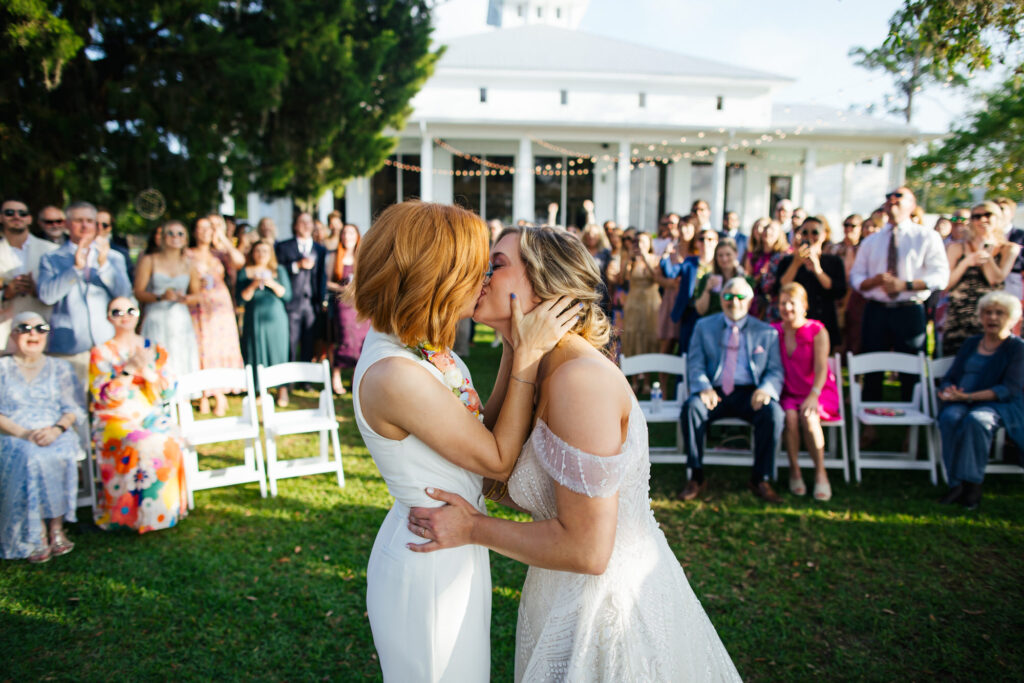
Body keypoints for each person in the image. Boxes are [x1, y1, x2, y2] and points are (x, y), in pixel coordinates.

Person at [406, 225, 741, 681]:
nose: (480, 276)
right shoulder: (537, 365)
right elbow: (490, 467)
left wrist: (473, 528)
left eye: (497, 266)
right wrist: (517, 350)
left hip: (607, 614)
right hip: (557, 594)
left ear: (547, 285)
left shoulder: (579, 380)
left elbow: (588, 549)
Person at [350, 201, 574, 682]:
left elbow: (479, 431)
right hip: (428, 559)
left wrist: (515, 349)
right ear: (435, 275)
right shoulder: (394, 374)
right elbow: (496, 458)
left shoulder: (422, 347)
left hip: (451, 537)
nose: (482, 280)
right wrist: (527, 361)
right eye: (474, 269)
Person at [681, 277, 786, 503]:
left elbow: (775, 370)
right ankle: (696, 476)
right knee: (691, 409)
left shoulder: (767, 333)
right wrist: (704, 387)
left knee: (773, 414)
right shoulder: (703, 326)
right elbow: (695, 363)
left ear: (749, 301)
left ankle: (760, 478)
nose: (734, 302)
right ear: (721, 299)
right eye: (728, 296)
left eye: (740, 297)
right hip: (714, 391)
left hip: (750, 393)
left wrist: (766, 389)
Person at [90, 297, 187, 532]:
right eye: (117, 311)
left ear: (138, 313)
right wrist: (128, 370)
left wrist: (149, 373)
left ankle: (165, 512)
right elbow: (104, 397)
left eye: (130, 310)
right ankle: (130, 517)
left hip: (149, 414)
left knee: (170, 437)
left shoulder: (155, 349)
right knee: (140, 442)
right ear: (108, 317)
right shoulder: (100, 353)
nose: (125, 315)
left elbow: (168, 391)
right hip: (115, 418)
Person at [849, 187, 949, 401]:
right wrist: (872, 281)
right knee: (872, 366)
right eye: (888, 197)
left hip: (909, 310)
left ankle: (910, 428)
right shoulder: (871, 241)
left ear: (912, 204)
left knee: (910, 367)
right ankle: (869, 424)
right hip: (876, 310)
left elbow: (940, 276)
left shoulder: (926, 237)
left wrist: (906, 285)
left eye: (899, 197)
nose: (892, 200)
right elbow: (856, 276)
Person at [0, 312, 84, 562]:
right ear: (14, 334)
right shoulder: (2, 368)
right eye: (24, 328)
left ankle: (56, 528)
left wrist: (56, 430)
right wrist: (25, 434)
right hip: (14, 433)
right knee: (29, 456)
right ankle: (32, 534)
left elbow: (73, 409)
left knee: (59, 451)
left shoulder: (60, 368)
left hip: (54, 430)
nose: (32, 333)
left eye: (40, 328)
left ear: (47, 334)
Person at [937, 291, 1024, 510]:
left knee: (977, 421)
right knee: (949, 417)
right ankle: (955, 484)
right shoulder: (971, 343)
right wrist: (946, 389)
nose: (992, 318)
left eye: (999, 313)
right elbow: (952, 375)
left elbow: (1008, 389)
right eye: (987, 313)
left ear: (1012, 318)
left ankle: (972, 483)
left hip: (999, 404)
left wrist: (967, 396)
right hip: (961, 399)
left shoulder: (1017, 348)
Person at [38, 201, 132, 387]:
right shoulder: (51, 258)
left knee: (110, 401)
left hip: (107, 342)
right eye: (78, 220)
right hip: (70, 345)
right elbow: (47, 296)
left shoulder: (114, 257)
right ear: (66, 224)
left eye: (90, 220)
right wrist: (75, 269)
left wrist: (104, 266)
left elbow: (124, 295)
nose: (85, 226)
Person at [772, 283, 839, 501]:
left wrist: (814, 395)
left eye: (792, 303)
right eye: (783, 303)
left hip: (818, 390)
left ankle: (821, 472)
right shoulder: (774, 332)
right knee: (790, 418)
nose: (787, 308)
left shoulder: (817, 330)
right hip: (789, 393)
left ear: (804, 306)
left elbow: (821, 368)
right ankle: (795, 470)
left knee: (809, 418)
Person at [942, 201, 1019, 357]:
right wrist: (966, 262)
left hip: (991, 318)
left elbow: (994, 279)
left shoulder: (1009, 248)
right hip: (959, 317)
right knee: (954, 363)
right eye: (976, 216)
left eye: (987, 215)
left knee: (987, 367)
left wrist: (987, 256)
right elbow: (946, 284)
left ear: (997, 218)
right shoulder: (956, 247)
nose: (982, 220)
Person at [188, 216, 246, 415]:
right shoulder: (188, 254)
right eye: (201, 228)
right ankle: (204, 393)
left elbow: (240, 261)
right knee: (201, 346)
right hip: (198, 303)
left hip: (220, 305)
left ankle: (219, 393)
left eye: (209, 228)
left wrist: (221, 235)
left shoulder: (220, 254)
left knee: (219, 346)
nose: (205, 232)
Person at [134, 220, 201, 382]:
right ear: (162, 238)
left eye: (180, 233)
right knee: (157, 355)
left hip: (180, 317)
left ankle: (184, 396)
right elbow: (138, 292)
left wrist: (186, 298)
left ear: (185, 239)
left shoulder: (189, 264)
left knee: (180, 353)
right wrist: (160, 297)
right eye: (170, 233)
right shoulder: (149, 260)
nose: (175, 237)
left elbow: (198, 295)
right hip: (156, 316)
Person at [774, 216, 847, 349]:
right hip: (794, 325)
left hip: (825, 322)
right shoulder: (787, 262)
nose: (809, 236)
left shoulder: (834, 261)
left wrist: (817, 269)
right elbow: (780, 287)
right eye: (805, 232)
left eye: (814, 232)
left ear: (824, 235)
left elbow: (839, 291)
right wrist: (796, 263)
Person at [237, 241, 292, 404]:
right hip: (254, 318)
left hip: (276, 317)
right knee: (256, 351)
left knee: (279, 351)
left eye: (265, 251)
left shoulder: (278, 270)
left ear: (271, 254)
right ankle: (262, 389)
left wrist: (271, 283)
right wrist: (254, 285)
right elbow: (241, 299)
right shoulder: (245, 272)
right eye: (258, 250)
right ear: (253, 253)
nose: (261, 254)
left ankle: (282, 389)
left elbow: (287, 295)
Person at [1, 198, 58, 351]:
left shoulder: (52, 251)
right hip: (4, 334)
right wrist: (6, 293)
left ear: (30, 219)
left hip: (42, 332)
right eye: (9, 213)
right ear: (1, 217)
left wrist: (38, 290)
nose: (16, 216)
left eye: (22, 213)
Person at [276, 212, 328, 364]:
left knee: (309, 341)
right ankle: (290, 379)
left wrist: (322, 299)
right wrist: (296, 266)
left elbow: (322, 276)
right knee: (291, 341)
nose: (306, 225)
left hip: (312, 303)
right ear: (295, 225)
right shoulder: (284, 247)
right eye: (302, 222)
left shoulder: (320, 249)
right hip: (292, 301)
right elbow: (278, 270)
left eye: (309, 222)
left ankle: (306, 379)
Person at [327, 223, 369, 395]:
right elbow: (327, 282)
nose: (347, 236)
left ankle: (355, 377)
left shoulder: (363, 256)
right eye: (344, 233)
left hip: (360, 304)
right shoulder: (334, 257)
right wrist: (342, 289)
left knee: (361, 340)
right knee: (344, 338)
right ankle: (335, 375)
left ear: (357, 236)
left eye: (351, 233)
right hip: (343, 303)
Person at [620, 232, 661, 388]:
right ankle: (635, 380)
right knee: (633, 337)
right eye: (637, 242)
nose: (639, 245)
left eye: (643, 241)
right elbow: (622, 278)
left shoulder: (655, 259)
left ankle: (649, 380)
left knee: (649, 337)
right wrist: (628, 260)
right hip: (633, 303)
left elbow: (656, 277)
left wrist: (645, 257)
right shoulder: (631, 260)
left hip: (650, 303)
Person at [743, 218, 789, 321]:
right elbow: (748, 279)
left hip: (776, 302)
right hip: (756, 301)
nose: (768, 232)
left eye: (772, 230)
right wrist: (759, 277)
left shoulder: (785, 256)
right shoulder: (754, 255)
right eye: (766, 229)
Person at [694, 237, 750, 318]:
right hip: (713, 323)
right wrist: (707, 289)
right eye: (720, 255)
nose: (724, 259)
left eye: (728, 254)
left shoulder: (745, 280)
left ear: (736, 254)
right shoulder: (707, 279)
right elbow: (701, 310)